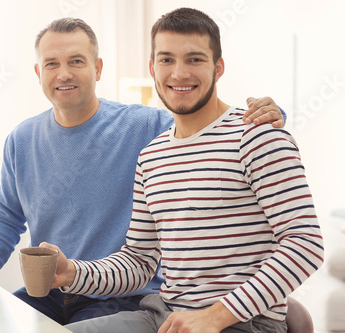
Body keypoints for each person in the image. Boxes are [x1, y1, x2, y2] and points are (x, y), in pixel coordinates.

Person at [0, 17, 286, 326]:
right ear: (38, 72)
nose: (64, 73)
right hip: (53, 290)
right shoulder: (21, 139)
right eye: (52, 64)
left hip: (122, 295)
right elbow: (6, 215)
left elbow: (203, 122)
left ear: (97, 68)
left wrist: (267, 116)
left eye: (76, 61)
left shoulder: (144, 127)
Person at [43, 8, 324, 333]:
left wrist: (215, 316)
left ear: (218, 67)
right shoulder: (151, 156)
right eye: (166, 60)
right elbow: (138, 261)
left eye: (194, 59)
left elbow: (305, 243)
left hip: (241, 324)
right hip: (164, 316)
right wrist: (72, 273)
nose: (178, 73)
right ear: (152, 68)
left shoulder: (257, 135)